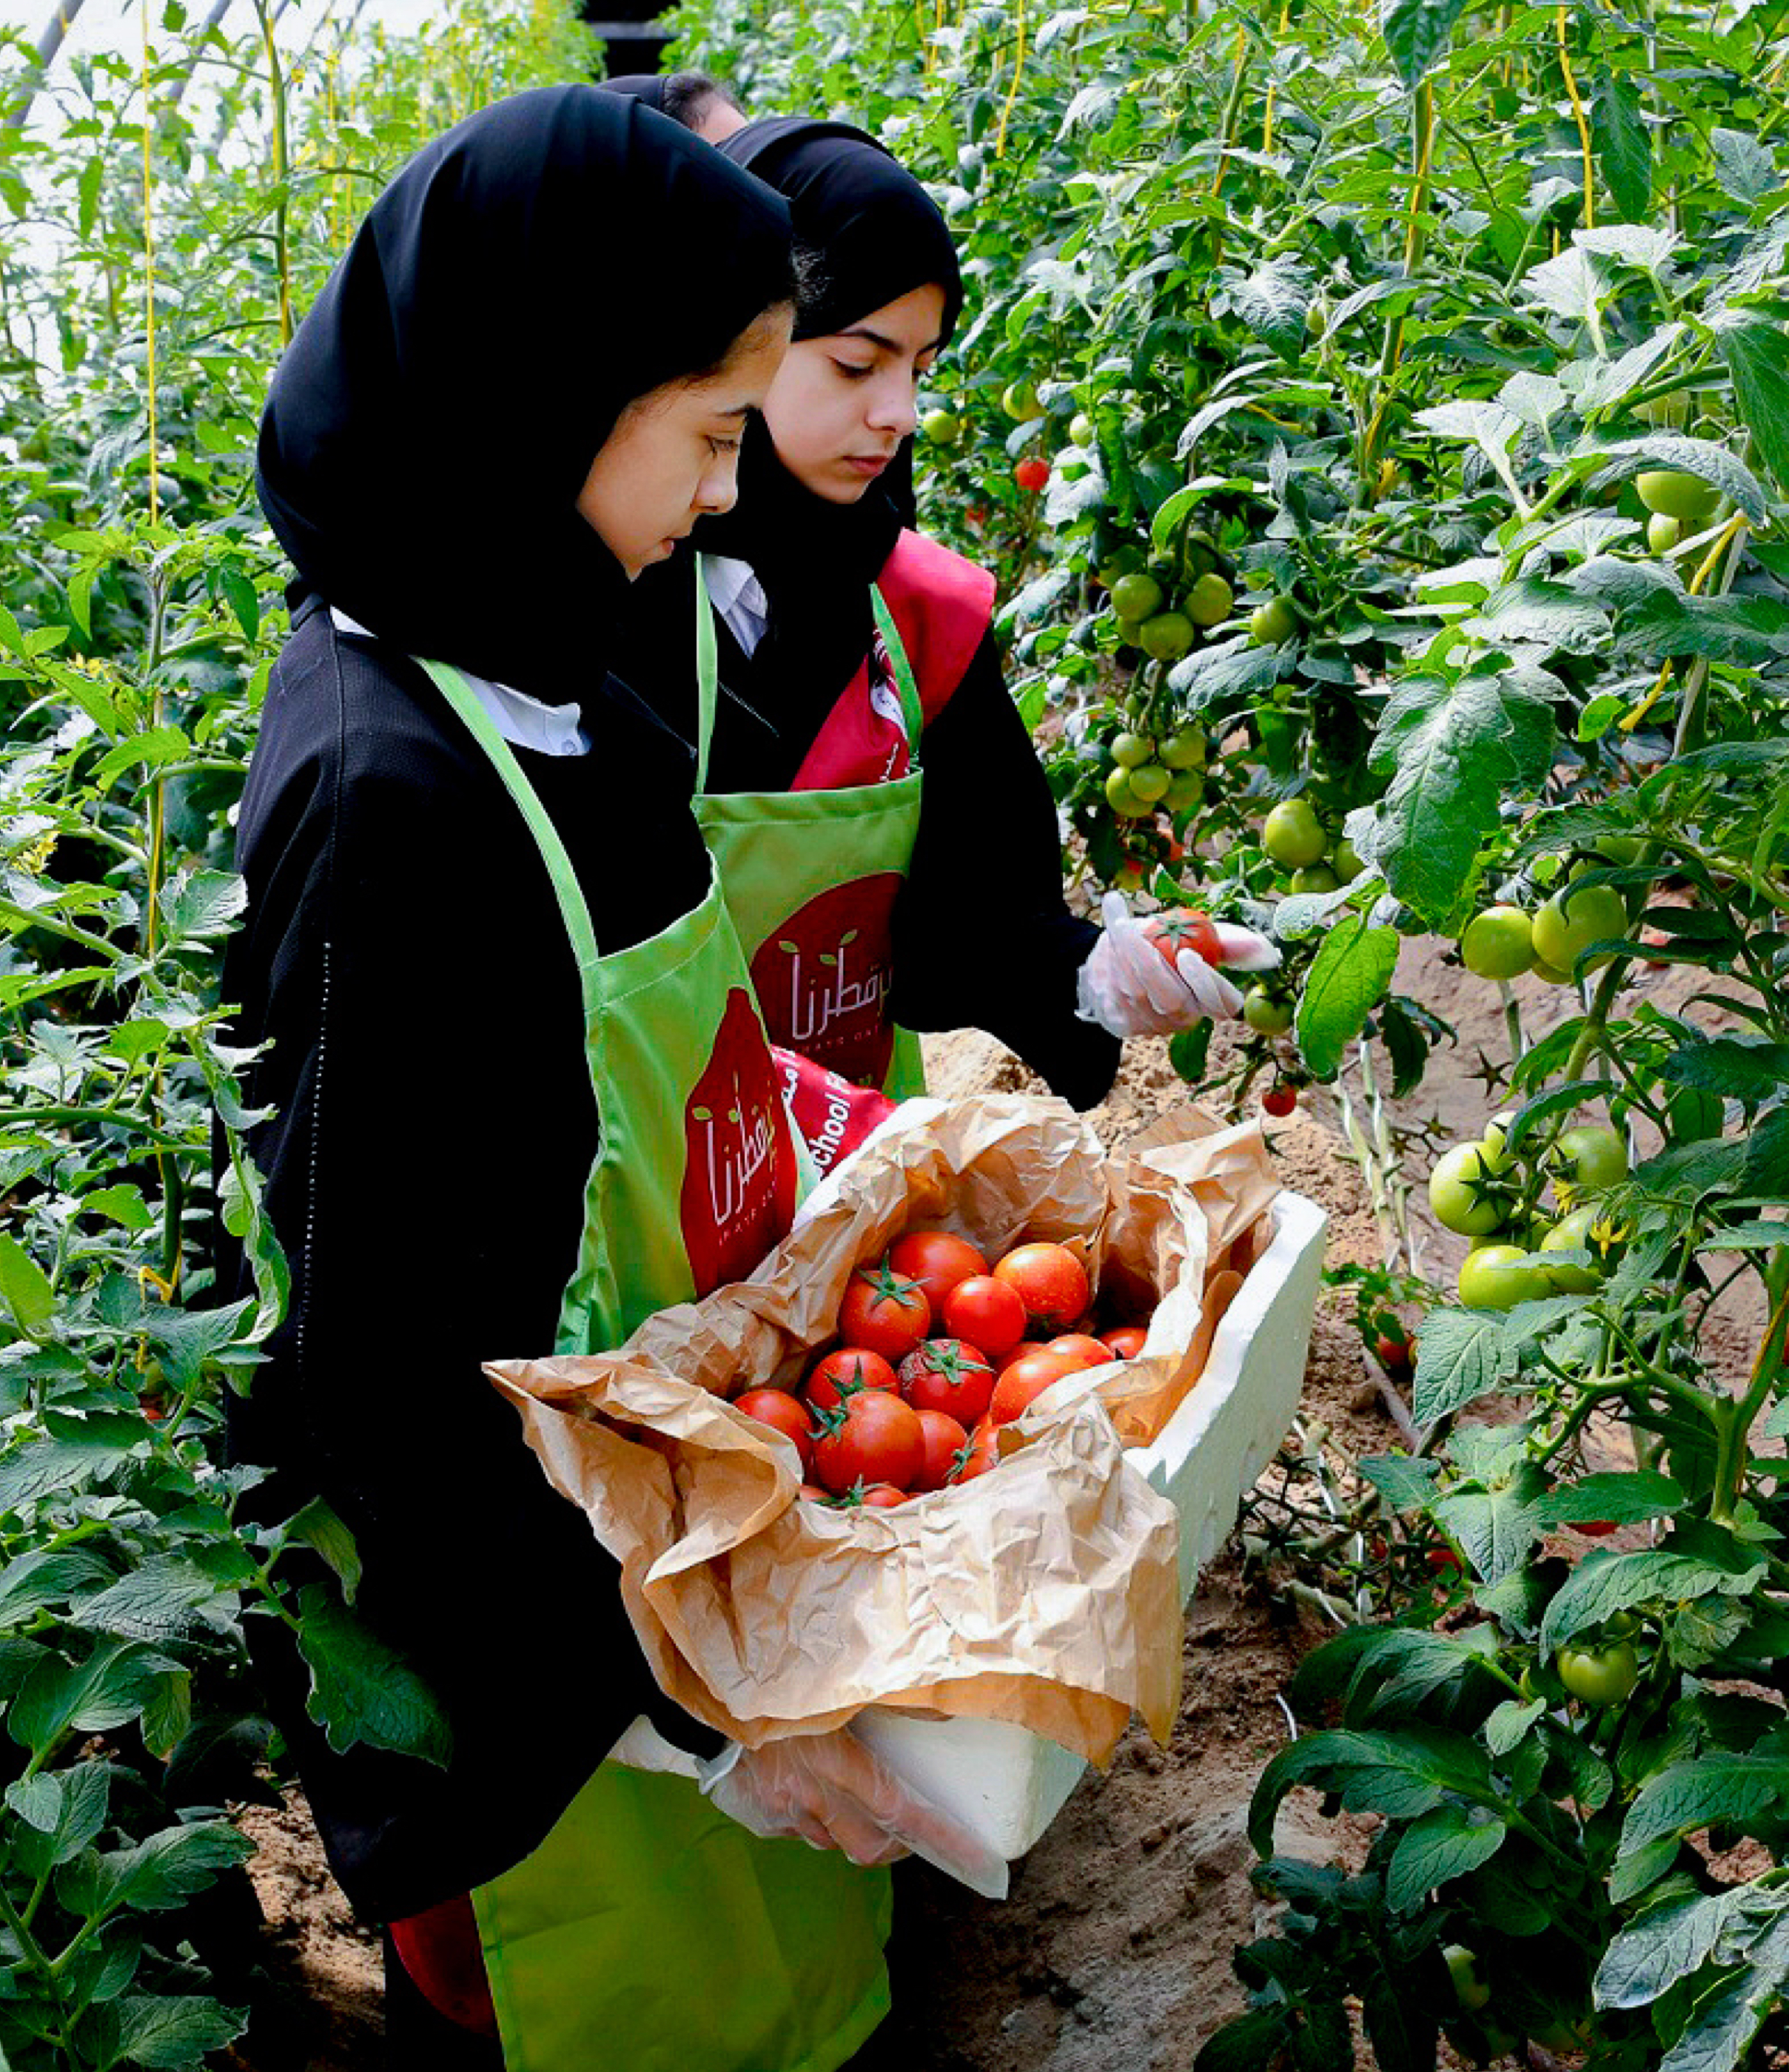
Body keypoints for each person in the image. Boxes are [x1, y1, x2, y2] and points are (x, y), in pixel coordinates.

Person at [226, 84, 896, 2071]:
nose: (718, 499)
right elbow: (381, 1390)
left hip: (660, 1510)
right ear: (540, 399)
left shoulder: (554, 654)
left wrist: (825, 1140)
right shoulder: (387, 796)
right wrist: (663, 1699)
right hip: (523, 1642)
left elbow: (629, 1052)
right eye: (702, 435)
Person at [606, 84, 1276, 1106]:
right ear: (737, 338)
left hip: (849, 1188)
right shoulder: (609, 597)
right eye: (855, 362)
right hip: (641, 1177)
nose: (899, 414)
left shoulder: (911, 611)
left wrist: (1096, 973)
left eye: (919, 367)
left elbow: (978, 915)